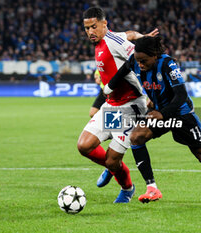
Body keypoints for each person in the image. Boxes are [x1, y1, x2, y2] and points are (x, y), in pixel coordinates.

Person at [103, 36, 201, 205]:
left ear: (154, 55)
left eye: (144, 61)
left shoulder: (167, 64)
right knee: (136, 137)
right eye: (138, 61)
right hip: (159, 113)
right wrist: (109, 87)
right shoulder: (135, 61)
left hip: (182, 115)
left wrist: (163, 113)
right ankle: (152, 188)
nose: (140, 64)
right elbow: (124, 69)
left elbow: (181, 95)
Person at [77, 7, 158, 203]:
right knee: (84, 146)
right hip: (112, 105)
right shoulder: (105, 40)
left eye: (94, 27)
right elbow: (129, 34)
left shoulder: (114, 42)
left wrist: (150, 93)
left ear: (105, 24)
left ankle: (127, 188)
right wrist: (141, 36)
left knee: (113, 159)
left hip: (131, 106)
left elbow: (141, 59)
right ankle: (113, 168)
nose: (90, 32)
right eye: (87, 28)